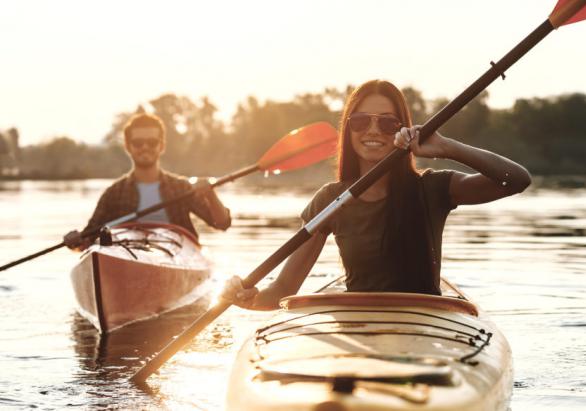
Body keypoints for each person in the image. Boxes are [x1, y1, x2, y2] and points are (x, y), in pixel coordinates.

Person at [225, 79, 531, 309]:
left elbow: (516, 180)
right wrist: (247, 299)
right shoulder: (329, 200)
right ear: (348, 130)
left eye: (387, 123)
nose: (372, 130)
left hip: (424, 322)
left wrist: (447, 147)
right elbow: (282, 290)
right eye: (360, 121)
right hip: (359, 322)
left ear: (403, 131)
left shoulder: (432, 189)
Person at [64, 113, 232, 249]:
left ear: (161, 146)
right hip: (129, 253)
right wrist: (75, 241)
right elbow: (87, 240)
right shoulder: (114, 194)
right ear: (128, 147)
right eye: (138, 143)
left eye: (152, 142)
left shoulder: (181, 188)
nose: (145, 147)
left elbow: (222, 223)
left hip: (177, 254)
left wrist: (210, 195)